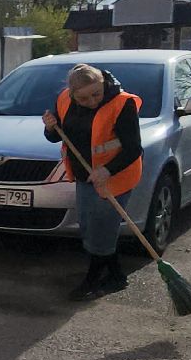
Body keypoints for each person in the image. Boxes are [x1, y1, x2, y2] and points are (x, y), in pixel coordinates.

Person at [42, 63, 144, 301]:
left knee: (101, 230)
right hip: (85, 176)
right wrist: (50, 127)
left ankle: (92, 280)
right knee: (90, 228)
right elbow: (56, 136)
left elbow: (133, 148)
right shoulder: (65, 100)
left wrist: (107, 170)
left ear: (103, 84)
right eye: (83, 98)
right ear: (72, 94)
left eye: (97, 94)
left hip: (116, 177)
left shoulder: (122, 104)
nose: (92, 101)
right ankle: (117, 276)